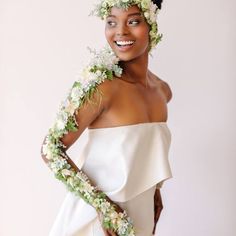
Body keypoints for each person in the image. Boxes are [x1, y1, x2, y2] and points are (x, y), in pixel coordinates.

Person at [41, 0, 173, 235]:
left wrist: (154, 189)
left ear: (152, 24)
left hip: (140, 216)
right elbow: (51, 149)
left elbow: (142, 150)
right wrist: (104, 209)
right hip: (98, 222)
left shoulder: (162, 91)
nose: (120, 31)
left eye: (133, 21)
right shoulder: (102, 88)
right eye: (111, 22)